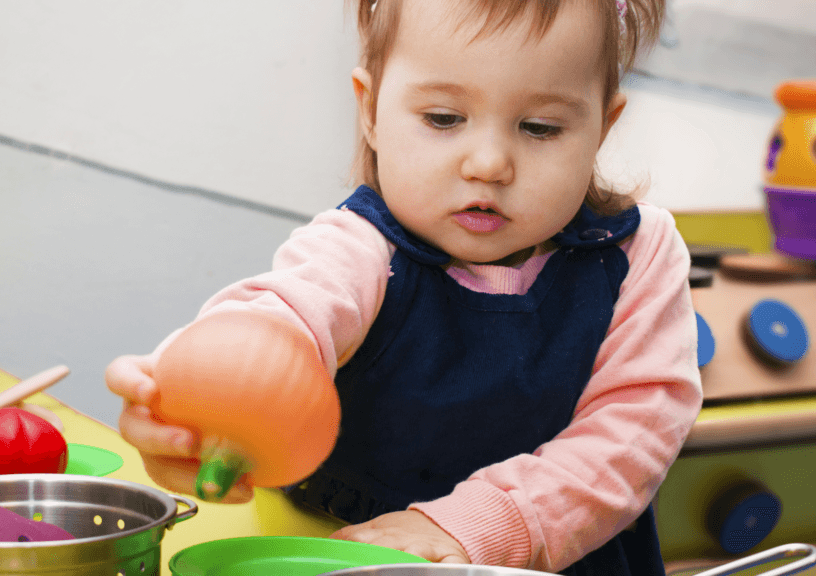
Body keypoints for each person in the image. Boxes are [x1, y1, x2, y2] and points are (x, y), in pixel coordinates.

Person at [106, 0, 702, 573]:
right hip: (339, 555)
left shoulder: (637, 254)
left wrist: (479, 525)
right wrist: (204, 387)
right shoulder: (358, 249)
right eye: (444, 119)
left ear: (602, 126)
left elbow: (631, 438)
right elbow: (284, 313)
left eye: (540, 127)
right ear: (370, 110)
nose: (489, 162)